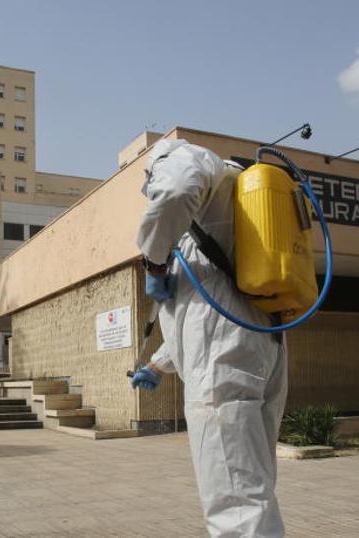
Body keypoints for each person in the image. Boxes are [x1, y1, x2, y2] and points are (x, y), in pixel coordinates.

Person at [129, 138, 288, 537]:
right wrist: (156, 364)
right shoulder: (231, 207)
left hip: (224, 355)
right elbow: (207, 314)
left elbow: (177, 187)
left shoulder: (182, 157)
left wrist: (154, 262)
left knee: (235, 500)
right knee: (252, 485)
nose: (150, 194)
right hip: (260, 341)